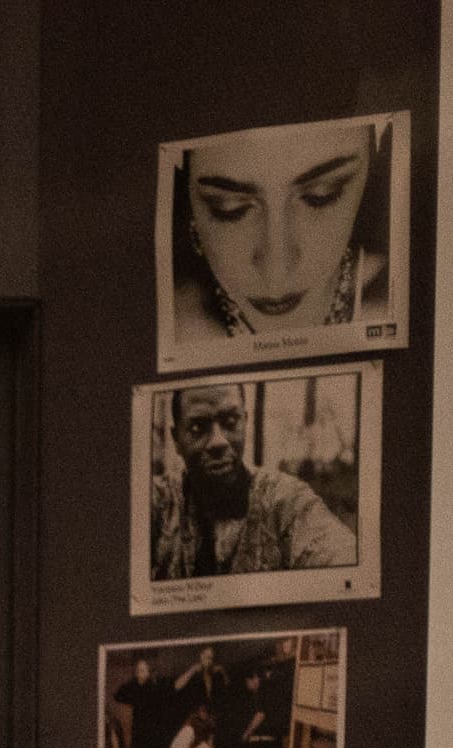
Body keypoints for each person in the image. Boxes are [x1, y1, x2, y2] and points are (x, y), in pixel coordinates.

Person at [166, 115, 392, 352]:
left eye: (321, 195)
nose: (276, 271)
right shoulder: (171, 323)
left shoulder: (397, 304)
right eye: (230, 209)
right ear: (192, 213)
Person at [150, 382, 358, 582]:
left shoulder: (284, 501)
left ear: (245, 422)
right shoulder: (159, 502)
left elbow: (343, 558)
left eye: (231, 423)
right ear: (176, 438)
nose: (218, 441)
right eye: (197, 428)